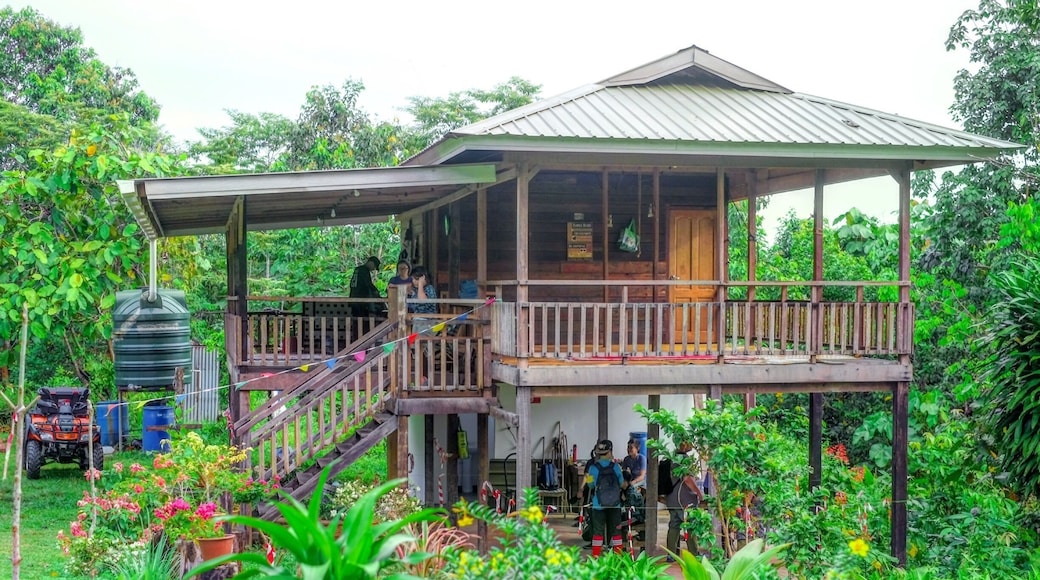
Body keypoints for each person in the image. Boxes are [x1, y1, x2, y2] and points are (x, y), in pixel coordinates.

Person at [586, 439, 627, 557]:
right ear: (610, 452)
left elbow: (590, 485)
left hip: (598, 505)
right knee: (616, 533)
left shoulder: (593, 468)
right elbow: (621, 484)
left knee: (598, 533)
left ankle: (595, 558)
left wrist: (590, 478)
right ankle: (618, 558)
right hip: (615, 505)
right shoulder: (616, 467)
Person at [663, 441, 704, 560]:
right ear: (684, 444)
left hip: (671, 498)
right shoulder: (685, 459)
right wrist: (699, 493)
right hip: (684, 499)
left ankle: (670, 555)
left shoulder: (671, 458)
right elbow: (687, 479)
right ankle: (694, 554)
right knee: (690, 525)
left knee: (674, 526)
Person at [407, 266, 438, 384]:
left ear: (422, 278)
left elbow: (422, 300)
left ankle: (424, 376)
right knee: (415, 348)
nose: (413, 282)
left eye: (416, 279)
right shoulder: (415, 291)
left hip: (427, 322)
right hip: (417, 322)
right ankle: (420, 376)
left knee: (422, 347)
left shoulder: (429, 289)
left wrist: (420, 285)